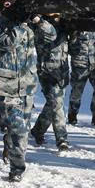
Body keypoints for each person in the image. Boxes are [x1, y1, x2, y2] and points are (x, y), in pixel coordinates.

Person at [0, 0, 56, 182]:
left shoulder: (27, 21)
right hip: (7, 85)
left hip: (27, 84)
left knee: (21, 127)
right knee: (19, 129)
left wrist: (35, 18)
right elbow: (7, 44)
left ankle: (9, 146)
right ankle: (17, 169)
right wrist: (17, 22)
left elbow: (51, 35)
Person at [30, 13, 70, 152]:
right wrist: (40, 20)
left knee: (52, 105)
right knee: (57, 105)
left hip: (62, 72)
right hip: (47, 72)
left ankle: (37, 130)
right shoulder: (40, 25)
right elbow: (49, 33)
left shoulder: (64, 25)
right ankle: (62, 139)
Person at [67, 29, 95, 126]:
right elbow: (70, 47)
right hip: (80, 64)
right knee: (77, 91)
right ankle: (72, 114)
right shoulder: (75, 26)